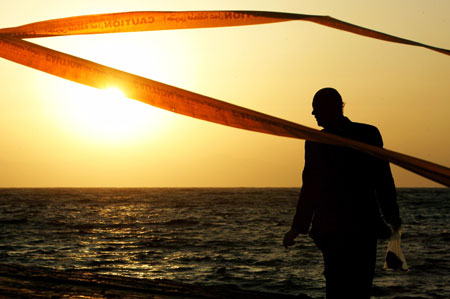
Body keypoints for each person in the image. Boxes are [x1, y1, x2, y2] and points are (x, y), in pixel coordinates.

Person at [283, 88, 402, 299]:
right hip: (357, 227)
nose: (313, 114)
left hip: (340, 228)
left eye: (316, 108)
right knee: (358, 286)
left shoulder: (320, 141)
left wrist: (298, 227)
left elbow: (310, 186)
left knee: (339, 287)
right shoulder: (367, 133)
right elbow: (383, 178)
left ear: (332, 108)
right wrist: (391, 213)